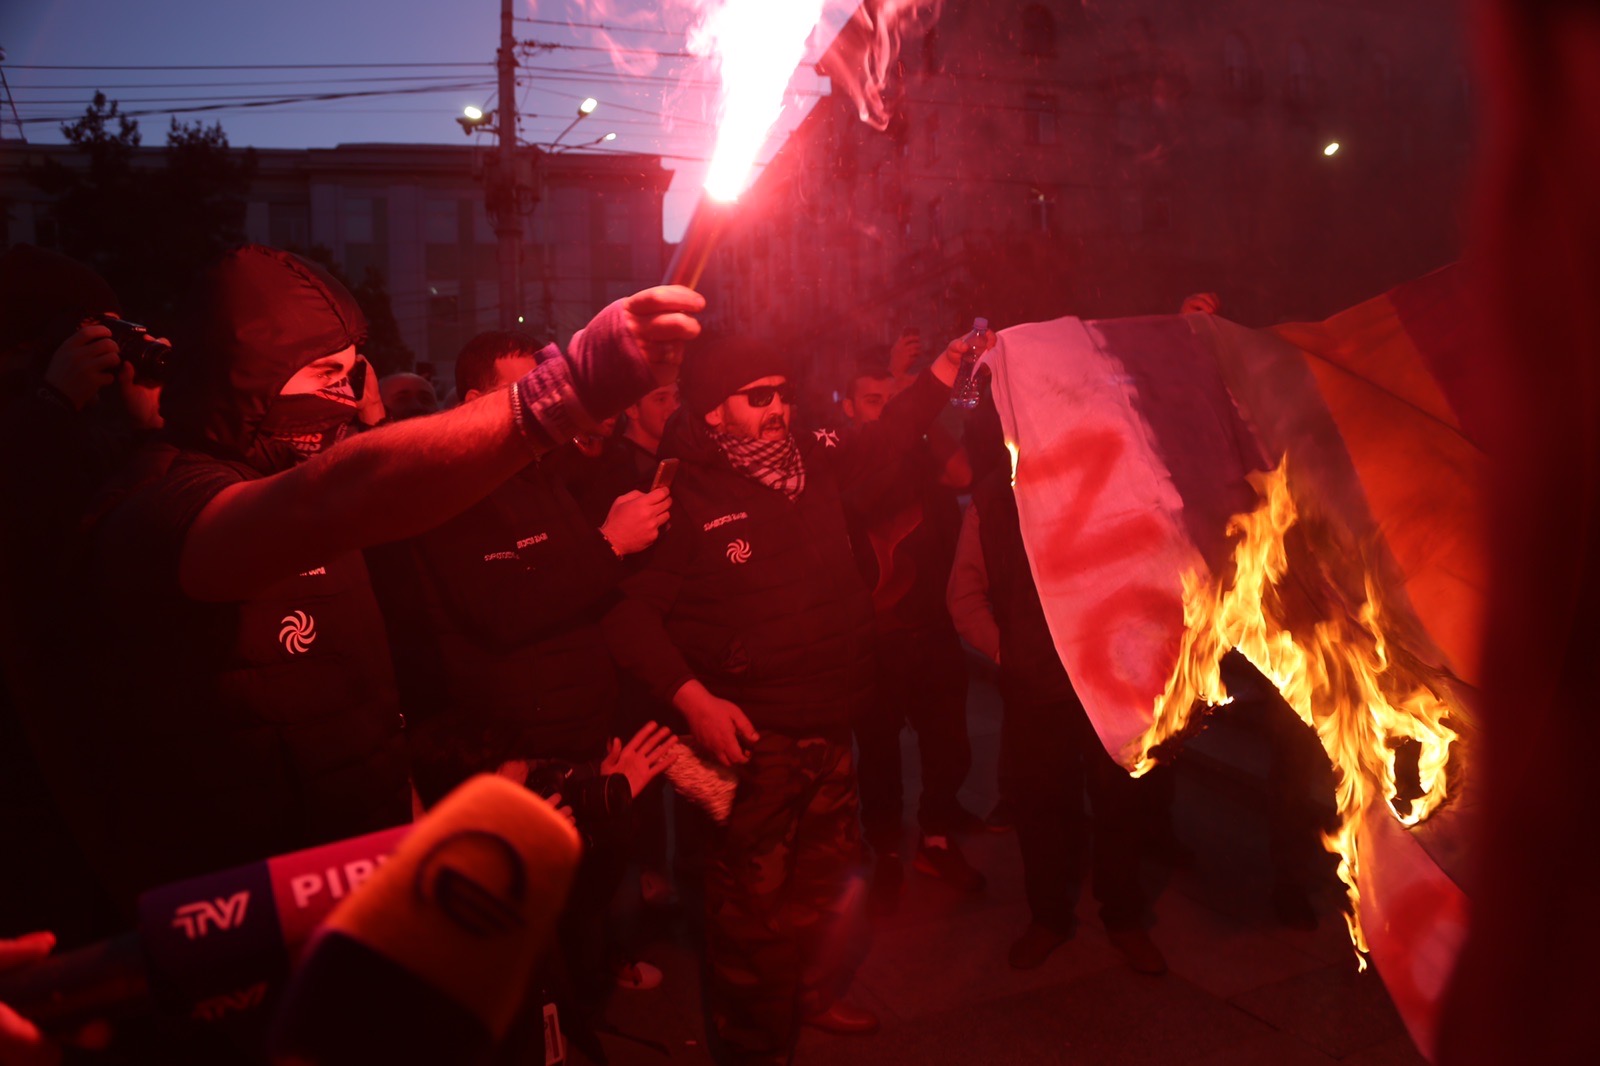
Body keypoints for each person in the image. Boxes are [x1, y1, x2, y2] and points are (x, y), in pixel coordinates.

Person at [72, 245, 701, 907]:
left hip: (363, 876)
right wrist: (555, 397)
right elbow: (335, 495)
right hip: (241, 910)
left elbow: (363, 697)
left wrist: (411, 825)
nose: (344, 397)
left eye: (351, 374)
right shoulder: (162, 504)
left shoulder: (313, 498)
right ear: (250, 376)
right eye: (324, 374)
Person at [604, 328, 985, 1062]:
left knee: (824, 892)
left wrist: (942, 369)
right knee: (751, 916)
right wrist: (695, 703)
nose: (778, 408)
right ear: (716, 410)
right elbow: (628, 616)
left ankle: (815, 996)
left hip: (829, 727)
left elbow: (888, 439)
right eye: (757, 397)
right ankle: (754, 1046)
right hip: (750, 744)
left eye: (782, 393)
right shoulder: (678, 494)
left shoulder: (811, 460)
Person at [948, 404, 1167, 976]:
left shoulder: (1118, 480)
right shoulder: (996, 499)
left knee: (1120, 801)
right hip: (1036, 684)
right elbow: (964, 592)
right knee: (1042, 804)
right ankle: (1048, 916)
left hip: (1114, 679)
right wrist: (1007, 652)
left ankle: (1123, 916)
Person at [0, 246, 168, 946]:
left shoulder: (90, 429)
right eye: (87, 329)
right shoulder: (34, 423)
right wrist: (48, 405)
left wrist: (153, 423)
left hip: (113, 739)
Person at [838, 356, 984, 904]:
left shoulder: (923, 451)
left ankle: (937, 839)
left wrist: (926, 410)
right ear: (849, 407)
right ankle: (883, 851)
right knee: (878, 752)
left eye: (891, 399)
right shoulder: (845, 462)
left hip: (932, 629)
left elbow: (964, 474)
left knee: (948, 743)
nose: (888, 410)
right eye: (874, 400)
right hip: (873, 637)